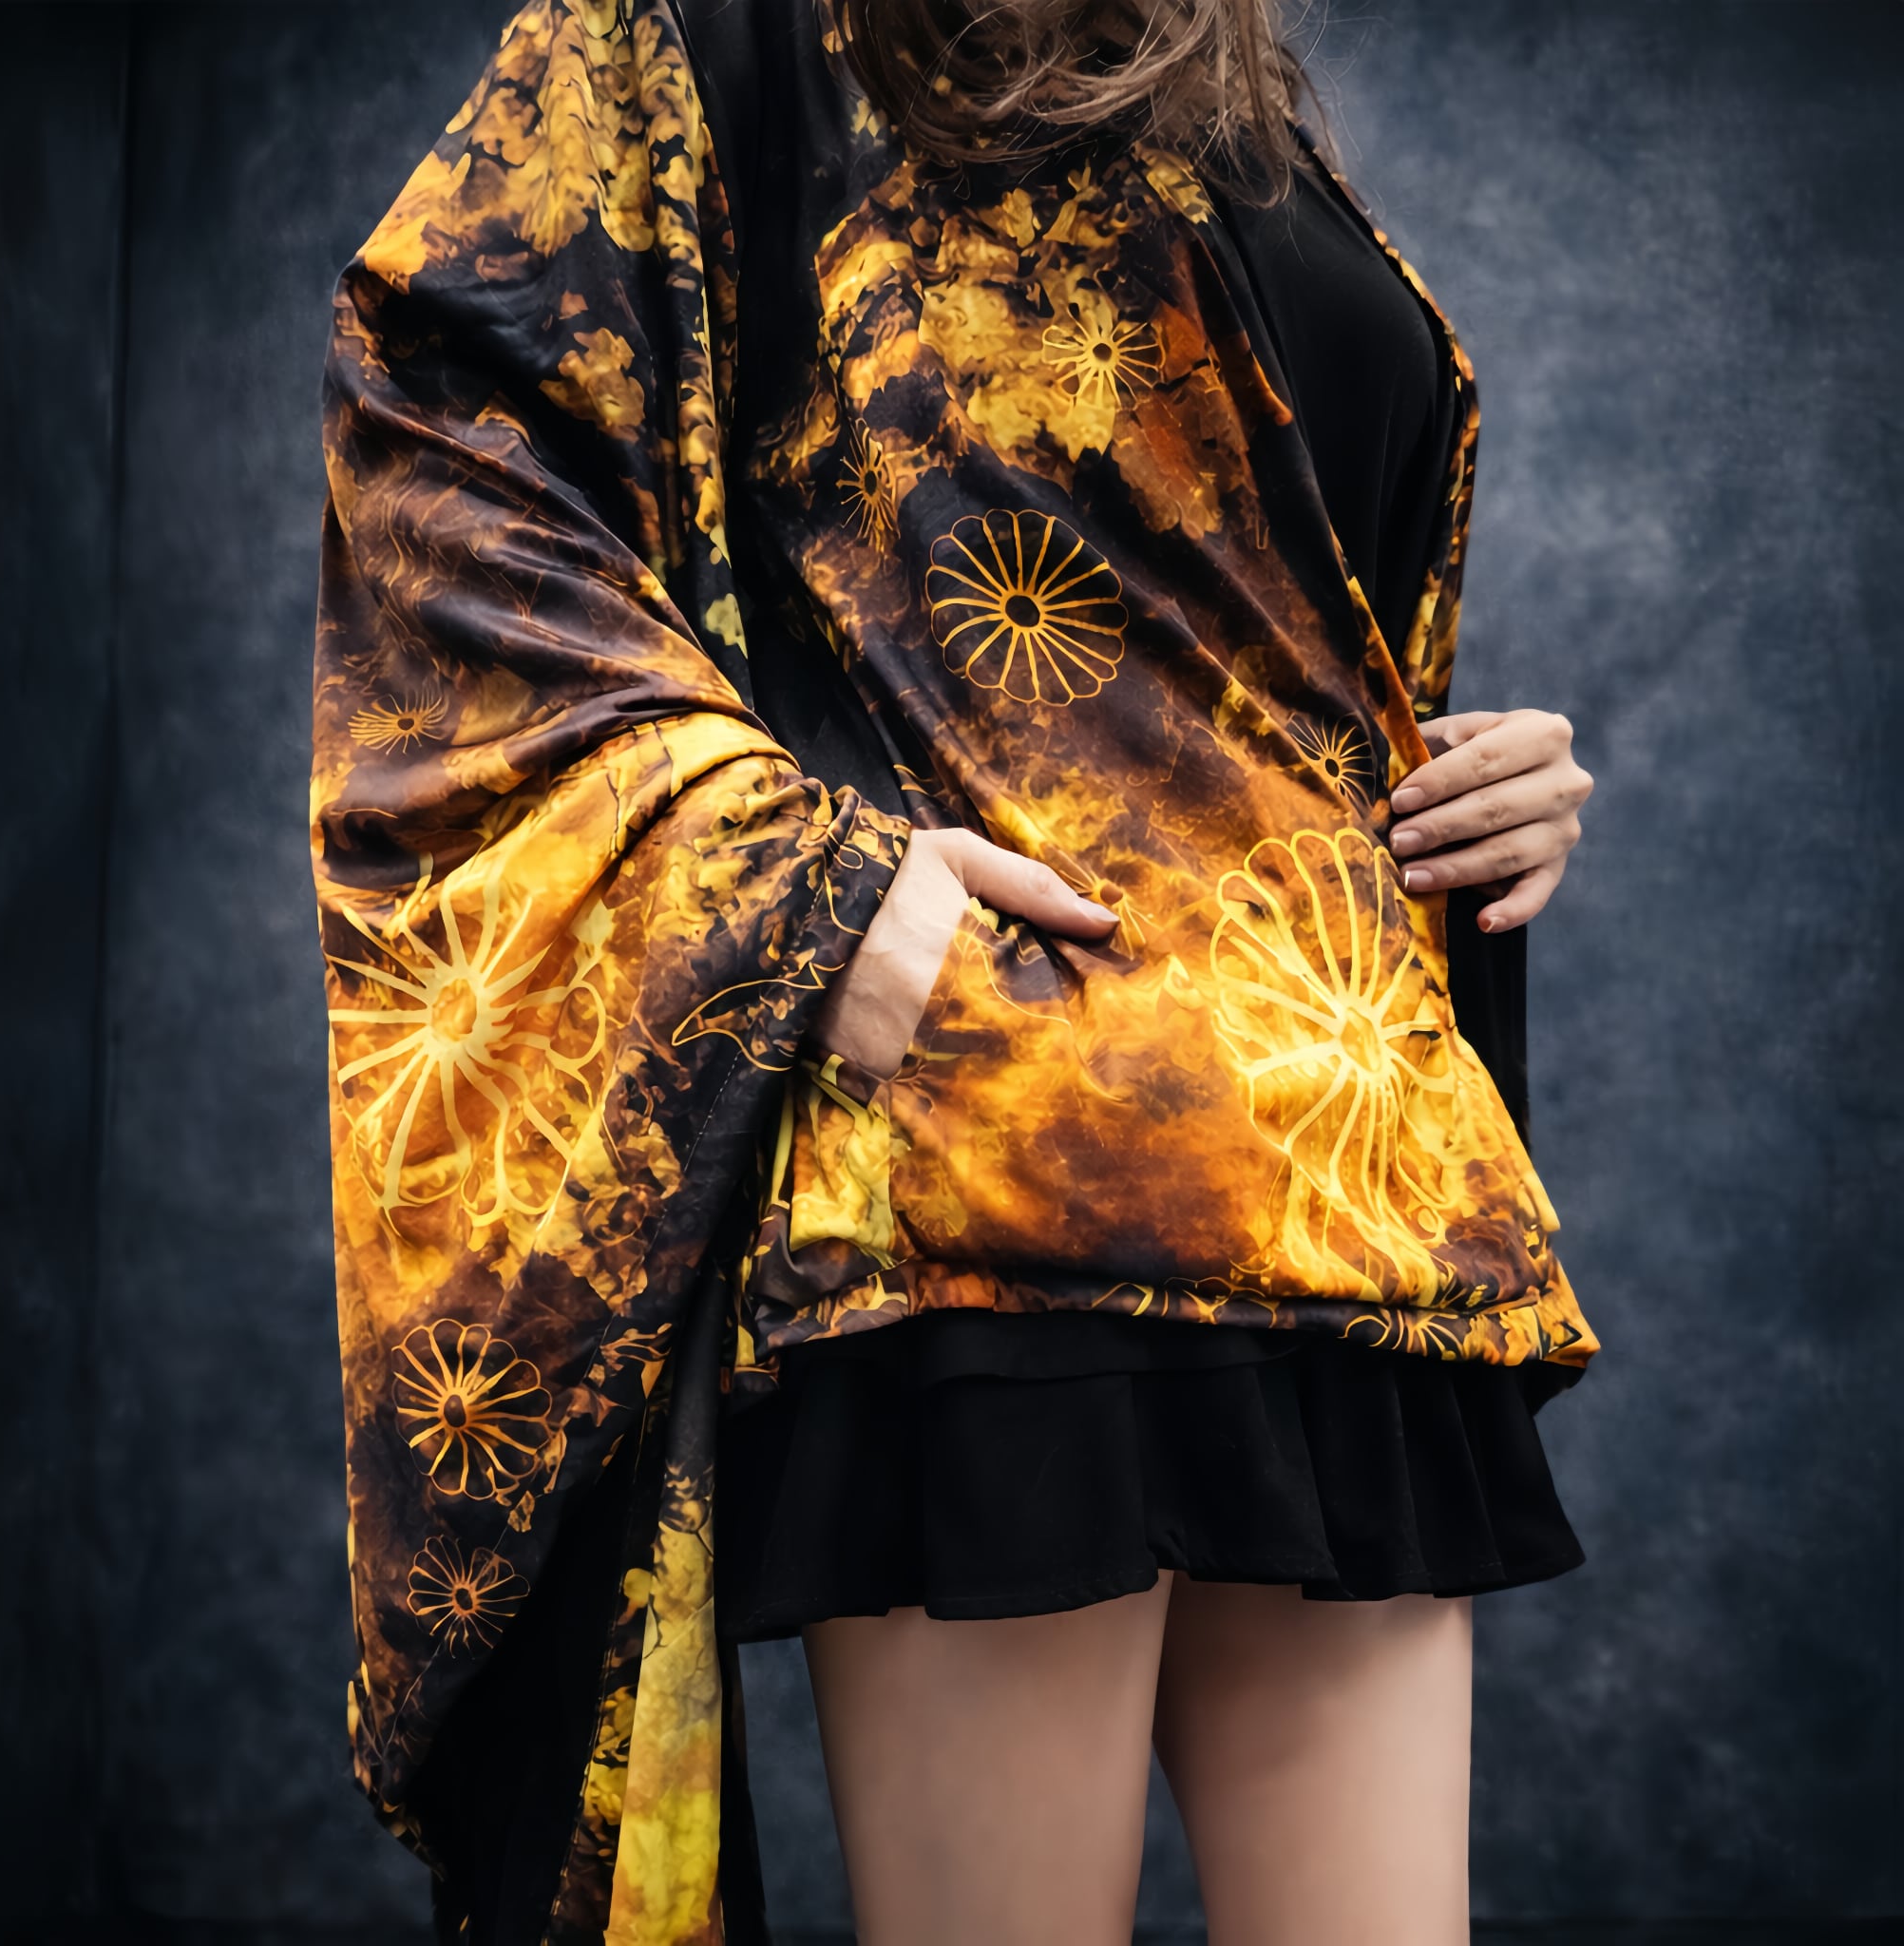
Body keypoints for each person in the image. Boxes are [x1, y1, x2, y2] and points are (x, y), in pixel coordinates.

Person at [310, 3, 1599, 1941]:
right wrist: (784, 876)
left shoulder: (1220, 86)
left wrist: (1463, 784)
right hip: (1002, 1189)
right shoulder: (711, 37)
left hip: (1355, 1195)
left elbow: (1225, 636)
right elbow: (448, 459)